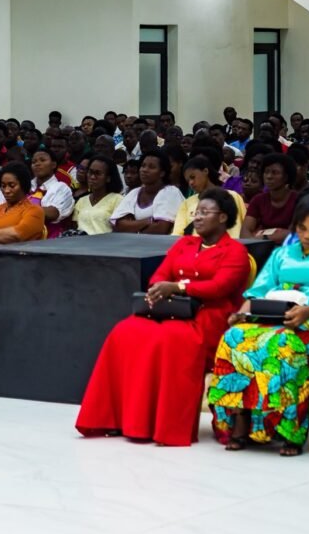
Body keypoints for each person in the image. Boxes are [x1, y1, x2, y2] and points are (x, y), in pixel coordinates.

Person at [77, 189, 251, 446]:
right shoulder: (184, 244)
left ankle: (163, 426)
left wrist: (178, 287)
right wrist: (160, 288)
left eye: (205, 212)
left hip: (209, 315)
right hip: (173, 310)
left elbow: (219, 287)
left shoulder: (234, 251)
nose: (197, 217)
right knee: (125, 331)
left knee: (171, 338)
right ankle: (119, 420)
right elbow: (160, 275)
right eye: (196, 212)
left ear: (223, 217)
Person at [208, 193, 309, 455]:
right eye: (302, 228)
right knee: (232, 337)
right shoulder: (282, 253)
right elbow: (257, 292)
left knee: (282, 343)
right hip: (271, 316)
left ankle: (289, 430)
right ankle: (241, 417)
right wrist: (240, 315)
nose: (308, 235)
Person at [172, 152, 246, 238]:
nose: (191, 183)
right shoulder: (187, 203)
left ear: (205, 171)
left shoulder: (232, 196)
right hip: (194, 245)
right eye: (188, 181)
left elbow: (238, 229)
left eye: (192, 177)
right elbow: (177, 235)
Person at [110, 151, 182, 235]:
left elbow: (161, 229)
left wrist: (133, 225)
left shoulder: (170, 192)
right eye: (143, 166)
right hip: (135, 242)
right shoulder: (134, 193)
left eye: (151, 167)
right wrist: (148, 221)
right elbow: (117, 225)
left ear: (162, 173)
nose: (144, 170)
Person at [240, 153, 299, 244]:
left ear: (286, 177)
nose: (269, 176)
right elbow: (245, 231)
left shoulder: (298, 200)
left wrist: (263, 238)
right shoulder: (258, 200)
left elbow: (293, 233)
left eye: (275, 173)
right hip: (260, 247)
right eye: (266, 172)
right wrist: (254, 243)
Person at [71, 156, 125, 235]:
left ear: (108, 178)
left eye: (98, 173)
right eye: (90, 172)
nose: (92, 177)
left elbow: (120, 230)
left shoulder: (118, 199)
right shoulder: (81, 201)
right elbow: (75, 227)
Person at [29, 146, 74, 238]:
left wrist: (20, 210)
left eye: (42, 160)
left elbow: (52, 213)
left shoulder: (61, 187)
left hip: (50, 240)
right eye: (34, 162)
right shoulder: (26, 186)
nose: (37, 164)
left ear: (53, 165)